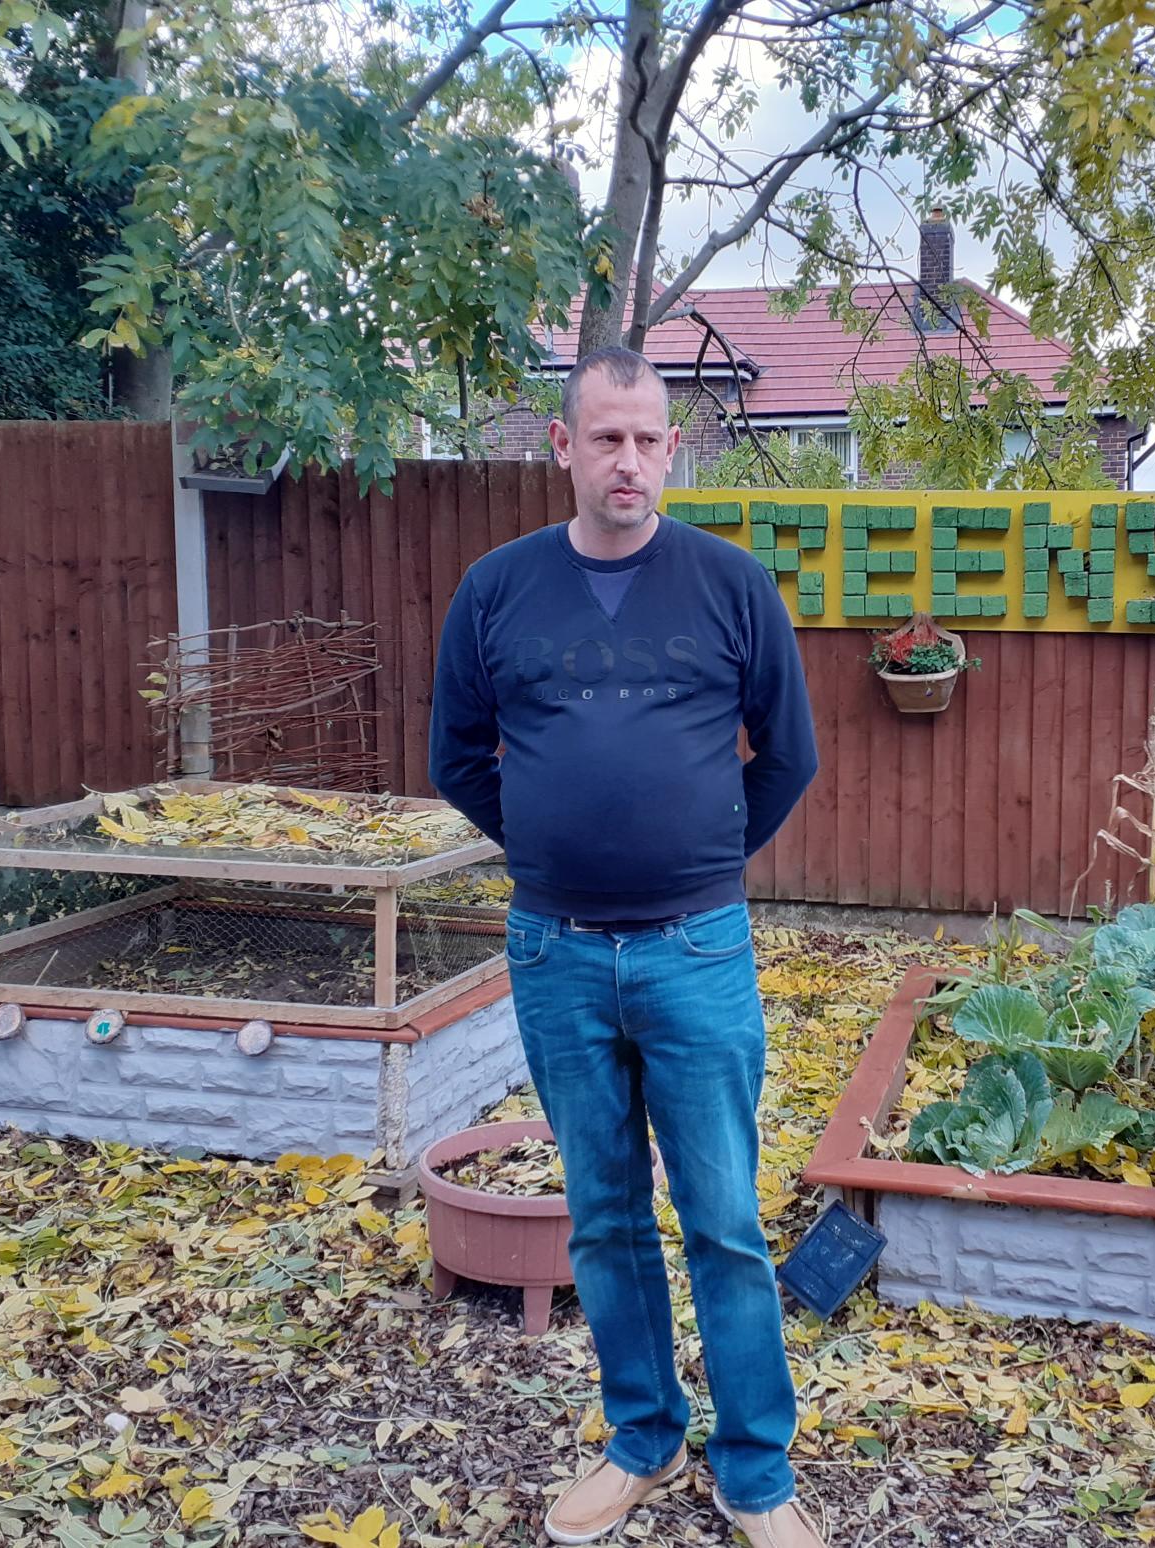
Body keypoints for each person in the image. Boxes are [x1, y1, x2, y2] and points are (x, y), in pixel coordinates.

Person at [429, 347, 822, 1547]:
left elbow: (788, 757)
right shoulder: (497, 591)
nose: (631, 462)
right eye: (606, 439)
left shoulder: (731, 587)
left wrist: (695, 857)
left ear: (673, 449)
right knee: (604, 1217)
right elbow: (458, 759)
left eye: (650, 440)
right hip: (555, 956)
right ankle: (642, 1440)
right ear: (562, 447)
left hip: (697, 953)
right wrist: (555, 850)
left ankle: (757, 1476)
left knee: (723, 1221)